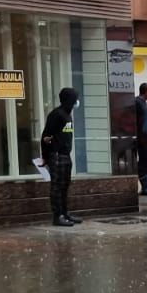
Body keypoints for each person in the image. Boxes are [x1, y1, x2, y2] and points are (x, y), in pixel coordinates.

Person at [40, 87, 82, 227]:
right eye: (75, 98)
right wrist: (46, 156)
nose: (77, 102)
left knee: (65, 185)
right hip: (56, 155)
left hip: (65, 155)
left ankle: (64, 213)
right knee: (57, 187)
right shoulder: (56, 115)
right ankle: (57, 216)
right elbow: (46, 136)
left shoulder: (67, 114)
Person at [133, 81, 147, 197]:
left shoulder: (144, 103)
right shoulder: (138, 102)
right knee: (144, 162)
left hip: (145, 138)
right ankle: (145, 186)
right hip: (142, 138)